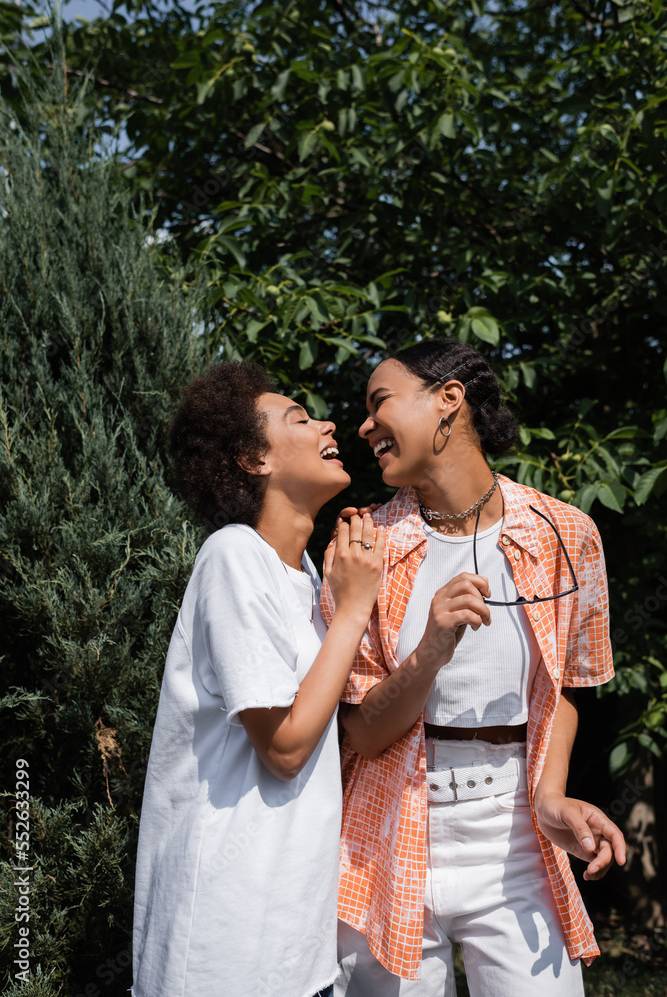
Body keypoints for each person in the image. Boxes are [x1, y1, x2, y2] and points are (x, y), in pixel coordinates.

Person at [319, 338, 626, 996]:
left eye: (379, 404)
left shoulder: (564, 536)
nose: (364, 426)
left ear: (447, 401)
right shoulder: (362, 545)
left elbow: (567, 687)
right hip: (386, 837)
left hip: (513, 844)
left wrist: (550, 800)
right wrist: (431, 649)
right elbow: (361, 734)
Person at [131, 360, 385, 997]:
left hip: (294, 951)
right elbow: (285, 749)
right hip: (224, 947)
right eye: (299, 418)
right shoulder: (232, 555)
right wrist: (355, 610)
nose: (328, 423)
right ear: (252, 459)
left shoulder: (302, 579)